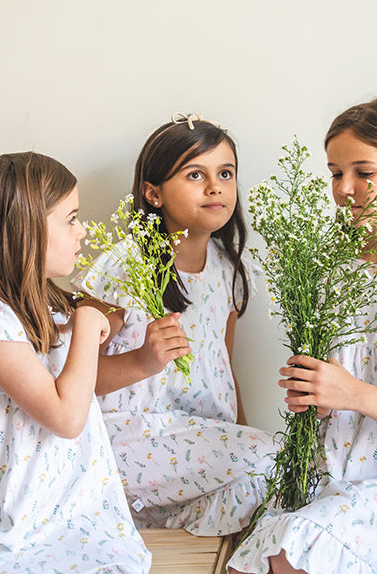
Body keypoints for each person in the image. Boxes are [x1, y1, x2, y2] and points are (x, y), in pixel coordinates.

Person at [228, 95, 377, 574]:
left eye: (364, 172)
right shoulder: (328, 275)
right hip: (338, 473)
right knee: (251, 561)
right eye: (335, 173)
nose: (344, 189)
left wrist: (356, 394)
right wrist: (314, 391)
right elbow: (334, 402)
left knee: (292, 552)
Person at [0, 152, 151, 574]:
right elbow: (66, 416)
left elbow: (75, 384)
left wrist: (131, 344)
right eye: (70, 218)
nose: (82, 231)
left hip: (53, 502)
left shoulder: (49, 308)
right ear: (23, 231)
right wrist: (87, 323)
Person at [73, 114, 274, 536]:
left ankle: (152, 532)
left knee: (273, 479)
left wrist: (239, 434)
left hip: (198, 443)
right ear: (153, 193)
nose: (215, 186)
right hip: (128, 441)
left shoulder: (231, 271)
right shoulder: (124, 265)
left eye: (225, 173)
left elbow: (225, 366)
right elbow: (72, 377)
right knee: (271, 456)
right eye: (195, 174)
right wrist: (142, 362)